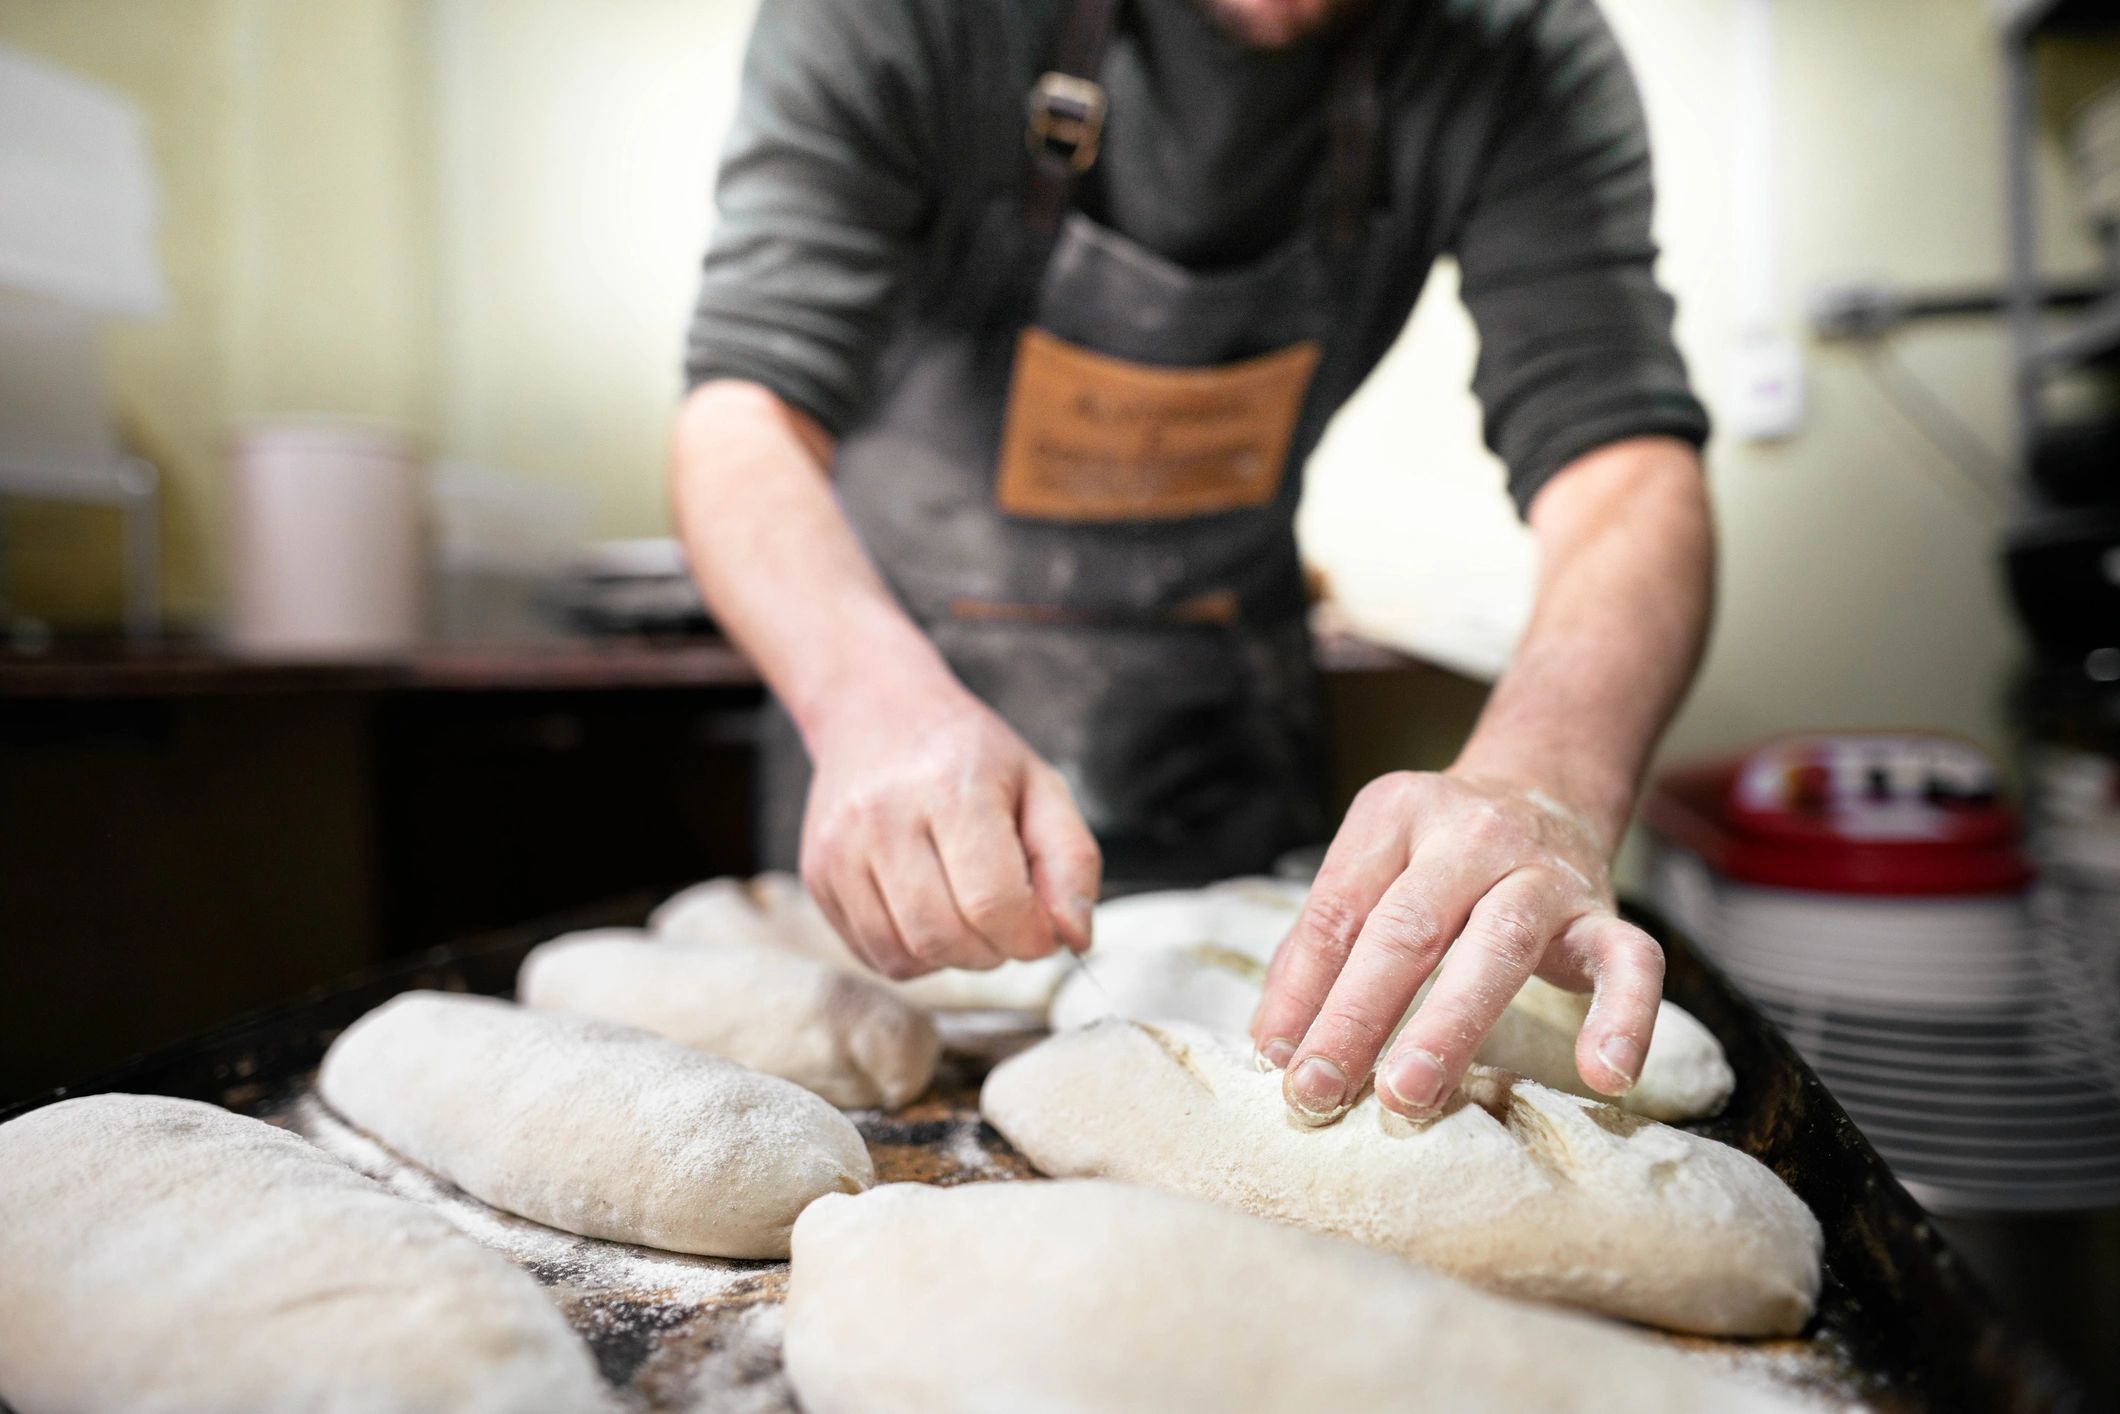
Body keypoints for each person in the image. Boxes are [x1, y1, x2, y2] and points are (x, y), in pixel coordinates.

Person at [671, 0, 1714, 1127]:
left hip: (1227, 769)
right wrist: (868, 700)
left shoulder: (1513, 45)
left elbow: (1623, 465)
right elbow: (743, 415)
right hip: (898, 761)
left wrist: (1543, 780)